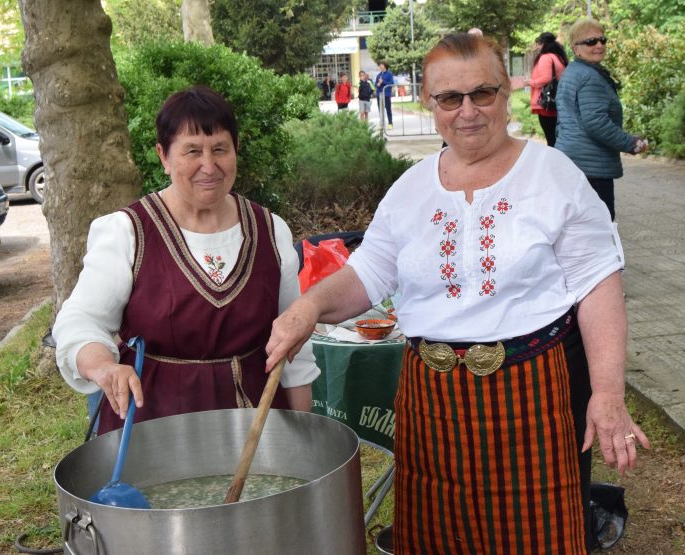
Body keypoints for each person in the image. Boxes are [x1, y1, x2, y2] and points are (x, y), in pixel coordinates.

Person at [265, 33, 649, 554]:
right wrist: (308, 306)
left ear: (506, 95)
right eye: (450, 98)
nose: (467, 111)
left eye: (482, 94)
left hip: (531, 391)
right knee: (437, 539)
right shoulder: (410, 189)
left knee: (536, 539)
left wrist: (606, 395)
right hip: (431, 396)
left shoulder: (555, 175)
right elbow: (367, 273)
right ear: (431, 104)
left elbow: (599, 286)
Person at [53, 86, 319, 435]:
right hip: (156, 427)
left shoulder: (270, 231)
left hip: (256, 428)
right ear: (163, 156)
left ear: (236, 149)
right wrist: (103, 366)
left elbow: (293, 344)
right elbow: (79, 320)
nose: (208, 166)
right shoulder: (127, 232)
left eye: (220, 149)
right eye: (192, 151)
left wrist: (305, 438)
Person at [556, 17, 648, 221]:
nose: (598, 45)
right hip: (592, 167)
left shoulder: (573, 72)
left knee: (578, 226)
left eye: (602, 40)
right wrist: (630, 143)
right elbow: (596, 123)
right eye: (590, 42)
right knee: (600, 227)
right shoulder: (590, 77)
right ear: (576, 48)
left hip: (571, 160)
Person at [525, 32, 568, 146]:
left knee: (551, 139)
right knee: (556, 138)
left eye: (538, 44)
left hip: (547, 104)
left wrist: (529, 82)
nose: (538, 48)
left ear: (543, 44)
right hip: (557, 102)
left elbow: (546, 78)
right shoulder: (559, 57)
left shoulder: (546, 57)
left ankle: (554, 162)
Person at [375, 61, 395, 128]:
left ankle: (390, 123)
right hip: (379, 94)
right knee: (380, 110)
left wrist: (383, 82)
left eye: (381, 65)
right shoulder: (378, 75)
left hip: (386, 94)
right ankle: (382, 124)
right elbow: (376, 84)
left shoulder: (389, 74)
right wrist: (378, 84)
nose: (380, 66)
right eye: (379, 65)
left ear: (385, 66)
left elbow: (391, 83)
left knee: (388, 109)